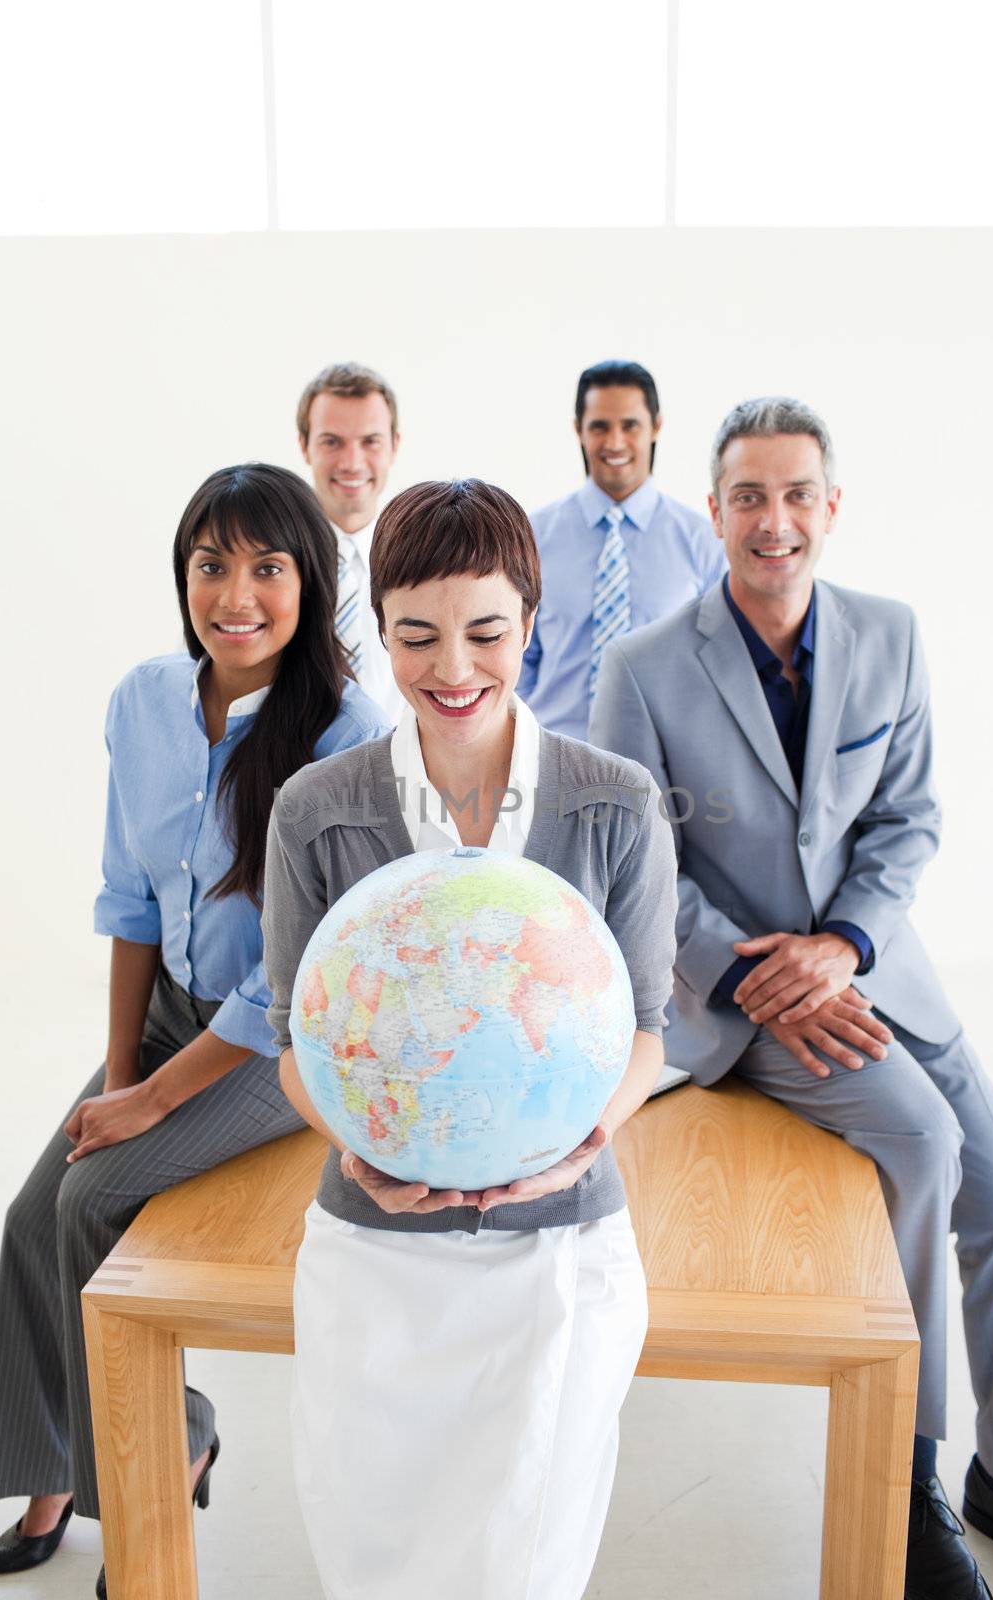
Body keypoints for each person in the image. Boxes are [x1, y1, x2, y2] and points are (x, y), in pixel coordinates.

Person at [588, 396, 993, 1600]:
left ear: (829, 509)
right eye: (746, 496)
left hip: (873, 969)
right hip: (734, 999)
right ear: (714, 509)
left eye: (794, 495)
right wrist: (754, 970)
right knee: (924, 1143)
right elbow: (633, 866)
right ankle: (903, 1484)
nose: (770, 520)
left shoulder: (889, 634)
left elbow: (906, 818)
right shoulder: (640, 669)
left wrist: (840, 942)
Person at [0, 463, 390, 1592]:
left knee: (93, 1198)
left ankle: (158, 1462)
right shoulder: (144, 701)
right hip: (166, 1014)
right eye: (211, 564)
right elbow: (128, 905)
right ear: (183, 575)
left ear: (310, 580)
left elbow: (296, 979)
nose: (235, 593)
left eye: (266, 566)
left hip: (278, 1038)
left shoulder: (348, 730)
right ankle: (58, 1463)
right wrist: (118, 1075)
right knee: (32, 1208)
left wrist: (151, 1102)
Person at [262, 478, 678, 1600]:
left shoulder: (617, 802)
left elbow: (642, 1026)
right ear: (376, 633)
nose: (453, 669)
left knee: (518, 1564)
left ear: (532, 622)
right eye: (415, 636)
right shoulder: (314, 809)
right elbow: (297, 1045)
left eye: (487, 631)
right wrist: (354, 1147)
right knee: (371, 1551)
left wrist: (580, 1140)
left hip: (559, 1246)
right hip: (373, 1245)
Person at [517, 358, 726, 740]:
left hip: (663, 762)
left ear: (656, 426)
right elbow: (513, 653)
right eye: (600, 427)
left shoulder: (704, 542)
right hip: (552, 756)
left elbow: (720, 663)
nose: (614, 443)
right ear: (579, 429)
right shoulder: (531, 536)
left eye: (630, 425)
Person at [297, 358, 405, 723]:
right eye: (332, 442)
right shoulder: (263, 563)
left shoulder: (428, 561)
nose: (352, 462)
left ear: (394, 445)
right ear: (304, 445)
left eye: (370, 442)